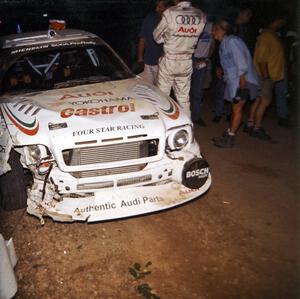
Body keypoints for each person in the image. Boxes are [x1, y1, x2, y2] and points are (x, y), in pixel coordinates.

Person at [153, 0, 206, 118]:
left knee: (163, 97)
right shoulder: (201, 15)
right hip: (187, 61)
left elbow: (156, 37)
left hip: (170, 60)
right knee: (184, 99)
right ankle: (187, 128)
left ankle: (166, 128)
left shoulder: (170, 12)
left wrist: (167, 39)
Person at [211, 20, 258, 148]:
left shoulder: (232, 41)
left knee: (237, 109)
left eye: (215, 29)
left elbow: (241, 61)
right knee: (235, 109)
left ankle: (230, 138)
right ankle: (229, 133)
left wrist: (243, 82)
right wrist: (221, 69)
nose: (213, 32)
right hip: (234, 81)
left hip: (243, 80)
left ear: (224, 30)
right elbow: (230, 62)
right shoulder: (223, 44)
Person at [246, 11, 287, 140]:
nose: (283, 23)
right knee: (265, 102)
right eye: (281, 21)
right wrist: (266, 78)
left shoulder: (271, 35)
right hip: (265, 76)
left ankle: (250, 124)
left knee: (259, 100)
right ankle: (257, 128)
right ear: (276, 20)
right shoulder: (266, 35)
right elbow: (262, 59)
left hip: (267, 75)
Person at [135, 0, 172, 85]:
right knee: (147, 88)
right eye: (156, 6)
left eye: (160, 7)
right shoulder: (150, 18)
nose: (156, 9)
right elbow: (142, 38)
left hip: (163, 64)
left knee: (161, 90)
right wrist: (140, 58)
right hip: (148, 61)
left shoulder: (173, 21)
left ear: (168, 8)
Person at [190, 21, 214, 126]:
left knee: (198, 91)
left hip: (203, 60)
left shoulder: (211, 26)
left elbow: (212, 44)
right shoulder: (193, 24)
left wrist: (207, 58)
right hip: (190, 59)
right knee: (185, 89)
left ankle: (196, 117)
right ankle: (185, 116)